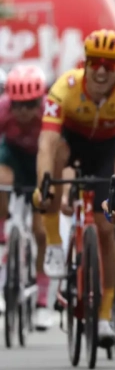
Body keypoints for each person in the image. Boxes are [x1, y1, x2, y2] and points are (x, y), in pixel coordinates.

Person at [35, 29, 115, 344]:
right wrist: (44, 185)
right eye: (96, 62)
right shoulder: (65, 87)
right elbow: (47, 144)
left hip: (108, 151)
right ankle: (53, 244)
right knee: (54, 167)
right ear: (86, 63)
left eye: (110, 64)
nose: (102, 70)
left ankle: (104, 316)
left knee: (105, 228)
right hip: (72, 146)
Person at [0, 65, 50, 328]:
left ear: (40, 100)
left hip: (41, 161)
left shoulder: (48, 112)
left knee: (41, 232)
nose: (23, 112)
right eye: (17, 105)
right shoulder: (2, 110)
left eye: (30, 104)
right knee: (2, 179)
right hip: (12, 158)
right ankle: (3, 230)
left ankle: (42, 301)